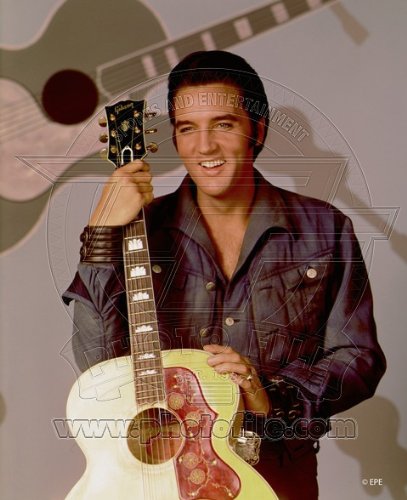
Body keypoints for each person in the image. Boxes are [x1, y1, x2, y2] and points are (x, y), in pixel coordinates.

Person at [63, 50, 386, 499]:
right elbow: (98, 367)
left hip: (278, 475)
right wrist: (100, 238)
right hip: (163, 480)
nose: (205, 147)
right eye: (187, 129)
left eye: (223, 125)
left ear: (258, 130)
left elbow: (358, 356)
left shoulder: (324, 229)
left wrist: (271, 395)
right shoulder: (138, 231)